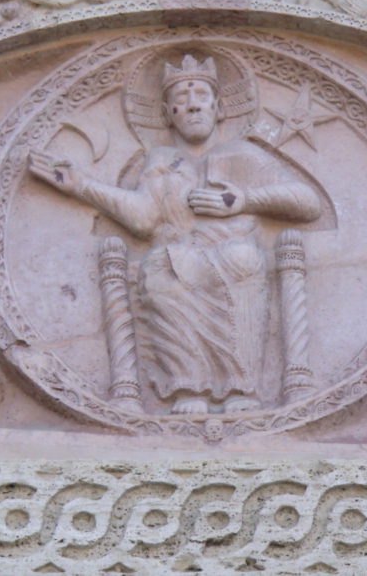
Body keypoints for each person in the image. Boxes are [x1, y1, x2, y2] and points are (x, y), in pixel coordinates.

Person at [29, 55, 321, 415]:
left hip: (235, 260)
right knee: (164, 269)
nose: (193, 104)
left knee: (241, 259)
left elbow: (308, 203)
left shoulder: (244, 154)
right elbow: (143, 218)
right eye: (181, 100)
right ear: (168, 114)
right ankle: (187, 387)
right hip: (175, 264)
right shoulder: (161, 160)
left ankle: (240, 388)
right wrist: (82, 185)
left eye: (201, 95)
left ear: (219, 108)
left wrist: (244, 200)